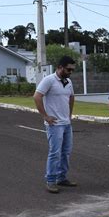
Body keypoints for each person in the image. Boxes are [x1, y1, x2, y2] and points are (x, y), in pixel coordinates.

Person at [34, 56, 77, 194]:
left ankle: (61, 177)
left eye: (72, 70)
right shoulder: (49, 80)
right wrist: (45, 116)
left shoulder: (68, 81)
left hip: (66, 123)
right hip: (54, 124)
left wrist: (69, 115)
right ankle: (51, 180)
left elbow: (71, 97)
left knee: (66, 152)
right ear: (60, 67)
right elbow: (37, 96)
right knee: (55, 153)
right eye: (68, 69)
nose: (70, 72)